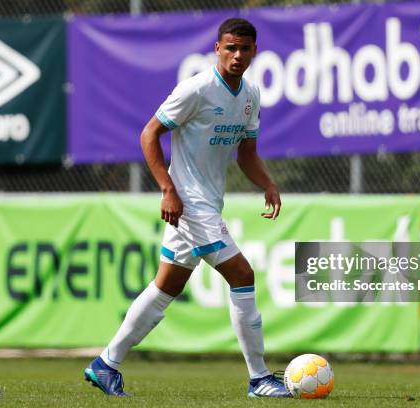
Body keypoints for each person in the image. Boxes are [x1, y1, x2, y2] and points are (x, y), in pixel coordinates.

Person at [84, 18, 289, 398]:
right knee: (242, 275)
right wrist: (167, 188)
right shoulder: (196, 89)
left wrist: (268, 183)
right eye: (230, 48)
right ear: (217, 49)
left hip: (206, 203)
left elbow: (247, 154)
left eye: (244, 49)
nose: (237, 55)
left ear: (255, 52)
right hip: (189, 204)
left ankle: (106, 364)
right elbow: (149, 134)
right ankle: (260, 378)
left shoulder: (251, 95)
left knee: (167, 286)